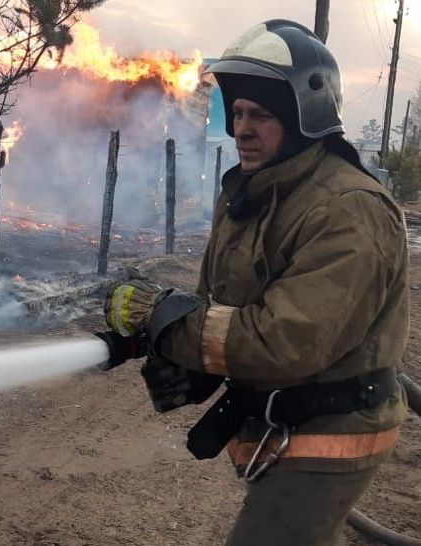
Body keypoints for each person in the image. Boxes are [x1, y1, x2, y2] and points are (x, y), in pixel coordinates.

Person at [103, 20, 408, 546]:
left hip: (332, 429)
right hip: (283, 418)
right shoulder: (252, 192)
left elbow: (284, 340)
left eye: (261, 115)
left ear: (302, 120)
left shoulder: (348, 211)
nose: (241, 128)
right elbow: (221, 303)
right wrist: (156, 334)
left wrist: (173, 323)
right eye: (238, 112)